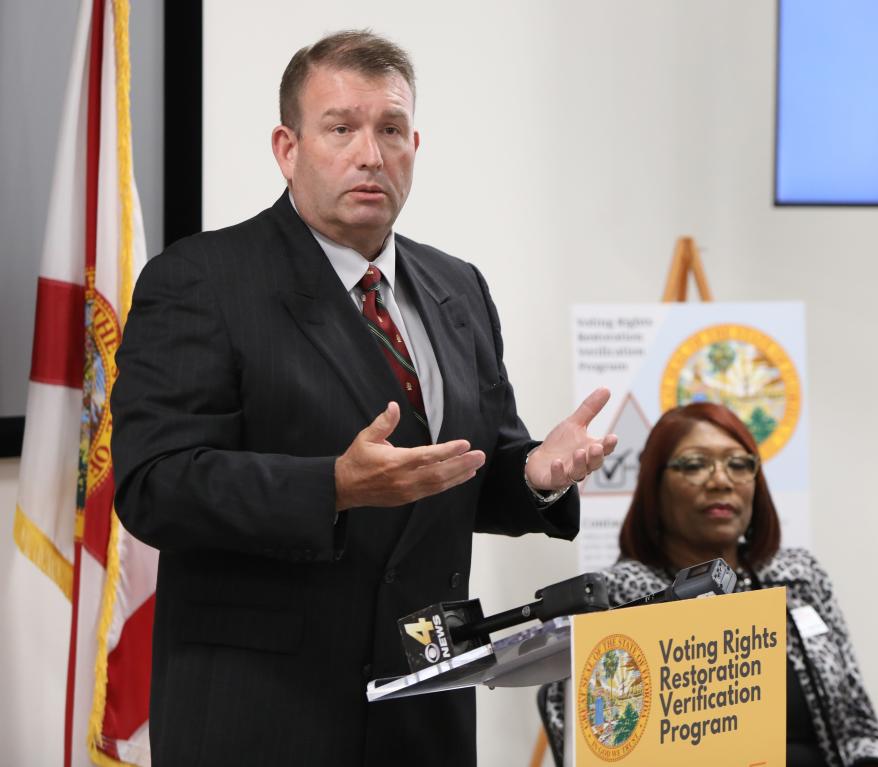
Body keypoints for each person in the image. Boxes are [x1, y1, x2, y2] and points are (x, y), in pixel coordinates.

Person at [111, 31, 616, 767]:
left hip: (428, 703)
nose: (370, 154)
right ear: (288, 148)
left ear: (416, 144)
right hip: (267, 712)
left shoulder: (458, 287)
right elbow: (153, 485)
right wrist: (333, 486)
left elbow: (462, 469)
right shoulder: (203, 279)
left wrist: (533, 473)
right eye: (341, 128)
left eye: (391, 130)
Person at [540, 403, 878, 767]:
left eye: (739, 464)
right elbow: (593, 746)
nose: (721, 481)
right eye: (695, 464)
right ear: (654, 485)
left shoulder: (798, 577)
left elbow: (860, 726)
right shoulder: (617, 599)